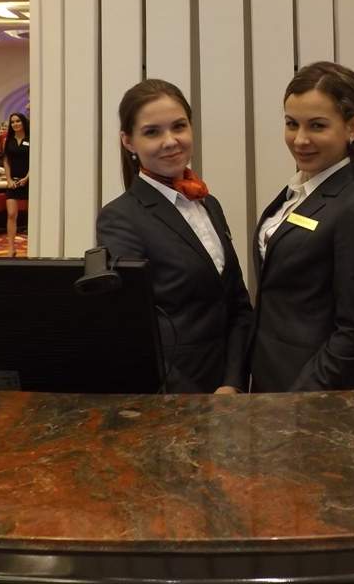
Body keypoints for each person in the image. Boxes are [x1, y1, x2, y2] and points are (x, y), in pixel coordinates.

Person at [96, 80, 253, 393]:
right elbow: (132, 328)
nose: (170, 141)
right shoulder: (120, 218)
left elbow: (237, 302)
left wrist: (233, 382)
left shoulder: (209, 204)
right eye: (152, 132)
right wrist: (193, 401)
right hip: (173, 394)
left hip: (227, 388)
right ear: (128, 142)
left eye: (179, 127)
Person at [250, 61, 354, 392]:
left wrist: (300, 398)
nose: (300, 140)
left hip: (312, 393)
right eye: (291, 124)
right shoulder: (299, 190)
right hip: (269, 380)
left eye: (317, 126)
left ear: (353, 128)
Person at [2, 112, 30, 258]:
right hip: (13, 182)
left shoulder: (31, 138)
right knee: (11, 214)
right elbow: (6, 161)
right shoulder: (8, 140)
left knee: (32, 216)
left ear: (23, 122)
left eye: (18, 121)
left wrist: (27, 178)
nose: (15, 124)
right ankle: (11, 247)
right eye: (12, 122)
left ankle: (33, 245)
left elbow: (35, 160)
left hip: (30, 182)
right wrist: (8, 180)